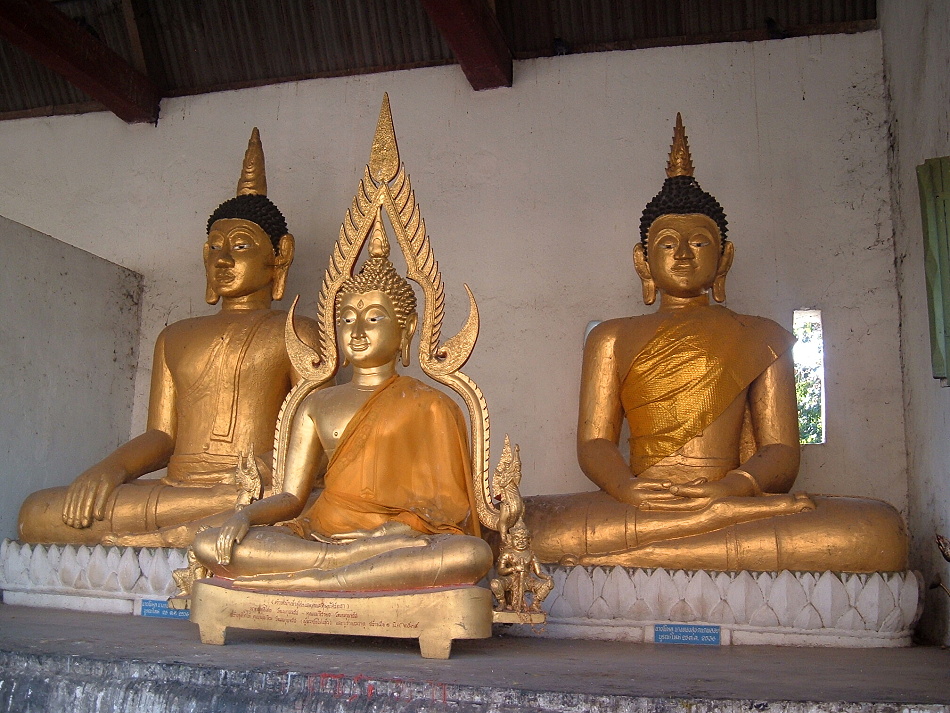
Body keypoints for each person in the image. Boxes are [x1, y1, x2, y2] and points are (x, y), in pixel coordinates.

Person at [523, 115, 908, 572]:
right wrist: (626, 487)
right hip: (640, 504)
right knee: (524, 527)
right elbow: (594, 443)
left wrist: (732, 488)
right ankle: (675, 540)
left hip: (730, 499)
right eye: (668, 244)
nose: (684, 254)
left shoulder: (759, 335)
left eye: (700, 243)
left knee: (878, 531)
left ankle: (653, 551)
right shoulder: (610, 337)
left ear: (724, 258)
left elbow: (782, 453)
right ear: (642, 262)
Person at [18, 129, 318, 548]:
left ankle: (212, 517)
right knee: (37, 513)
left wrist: (261, 477)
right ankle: (202, 519)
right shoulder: (174, 336)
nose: (223, 259)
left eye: (240, 246)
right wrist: (111, 468)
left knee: (306, 504)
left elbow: (316, 442)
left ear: (280, 253)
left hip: (254, 490)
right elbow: (161, 436)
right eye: (214, 247)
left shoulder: (298, 332)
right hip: (176, 491)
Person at [190, 216, 492, 591]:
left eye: (374, 317)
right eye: (347, 319)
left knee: (470, 554)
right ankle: (338, 568)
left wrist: (398, 529)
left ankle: (312, 578)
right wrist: (245, 516)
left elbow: (447, 506)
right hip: (321, 534)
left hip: (396, 539)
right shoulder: (317, 403)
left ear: (408, 328)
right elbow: (291, 497)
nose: (357, 331)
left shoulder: (431, 404)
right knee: (210, 543)